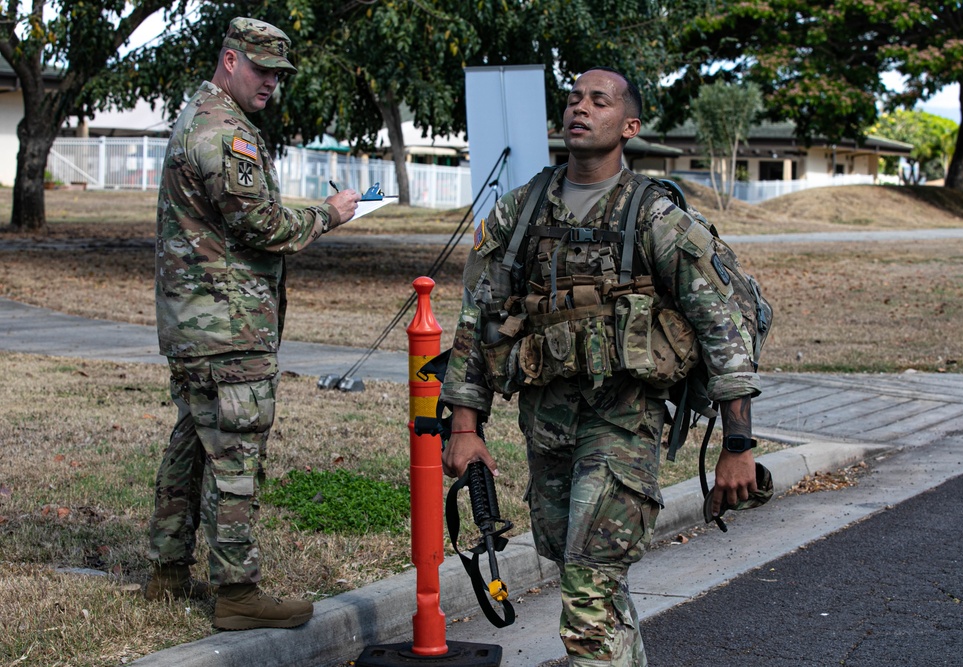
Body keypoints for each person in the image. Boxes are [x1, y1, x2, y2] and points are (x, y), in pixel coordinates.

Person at [439, 67, 762, 666]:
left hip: (623, 424)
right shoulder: (520, 210)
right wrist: (464, 427)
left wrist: (737, 444)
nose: (580, 109)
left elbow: (722, 327)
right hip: (547, 425)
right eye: (573, 99)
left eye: (598, 100)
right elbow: (477, 319)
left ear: (629, 126)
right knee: (584, 574)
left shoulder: (653, 215)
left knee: (590, 585)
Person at [145, 16, 361, 631]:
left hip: (200, 322)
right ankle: (237, 593)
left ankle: (167, 570)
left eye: (278, 74)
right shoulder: (224, 132)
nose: (271, 83)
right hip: (226, 327)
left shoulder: (203, 115)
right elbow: (262, 226)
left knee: (193, 443)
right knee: (236, 456)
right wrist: (329, 213)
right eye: (262, 69)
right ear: (231, 60)